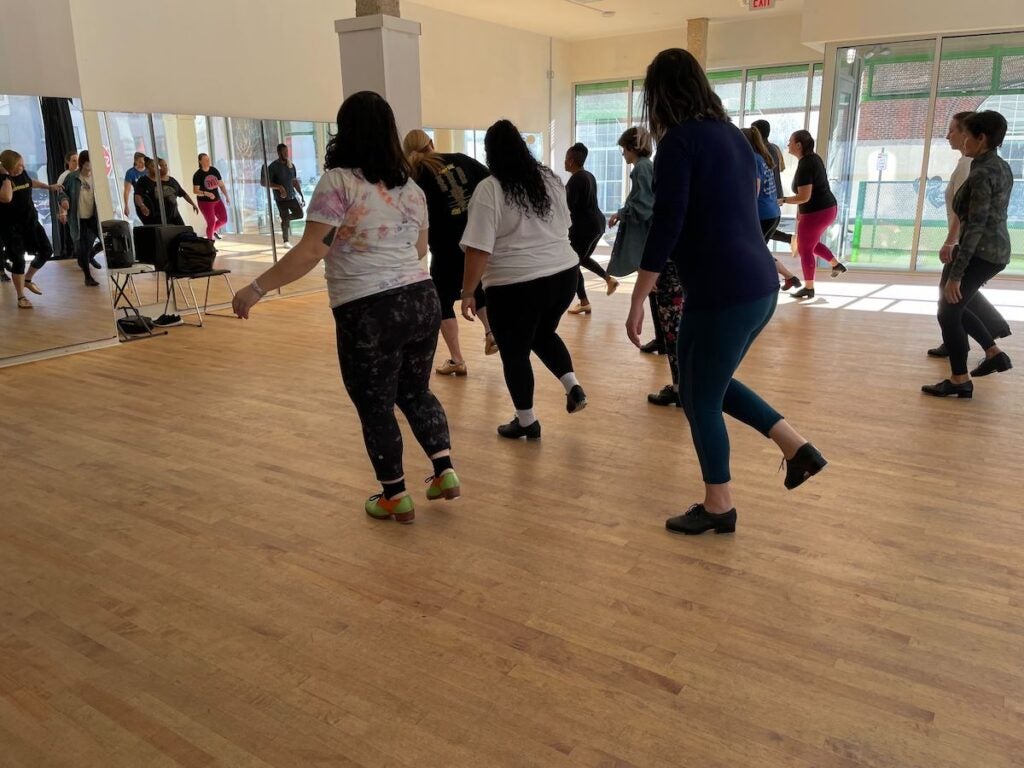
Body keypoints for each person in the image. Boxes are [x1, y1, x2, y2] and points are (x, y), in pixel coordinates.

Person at [232, 91, 458, 524]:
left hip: (367, 309)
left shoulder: (338, 182)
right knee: (415, 391)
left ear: (345, 130)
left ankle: (395, 495)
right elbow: (421, 248)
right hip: (421, 299)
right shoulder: (411, 187)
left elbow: (311, 250)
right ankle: (444, 470)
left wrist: (256, 288)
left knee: (376, 405)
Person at [626, 48, 826, 536]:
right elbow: (742, 213)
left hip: (723, 291)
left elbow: (668, 223)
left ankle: (720, 505)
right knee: (702, 385)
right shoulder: (736, 139)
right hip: (752, 286)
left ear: (660, 95)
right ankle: (796, 448)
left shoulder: (679, 143)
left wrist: (638, 296)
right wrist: (771, 260)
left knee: (699, 397)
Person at [460, 119, 586, 440]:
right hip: (563, 274)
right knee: (542, 332)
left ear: (490, 153)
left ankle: (527, 421)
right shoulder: (549, 179)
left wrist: (468, 291)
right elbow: (566, 225)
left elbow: (478, 249)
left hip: (516, 285)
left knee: (514, 352)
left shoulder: (490, 188)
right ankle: (573, 385)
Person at [923, 110, 1014, 399]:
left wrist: (957, 273)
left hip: (981, 251)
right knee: (957, 307)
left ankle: (960, 378)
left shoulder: (981, 172)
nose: (960, 141)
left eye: (966, 136)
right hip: (993, 250)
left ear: (981, 138)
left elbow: (975, 226)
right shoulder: (999, 166)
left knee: (948, 311)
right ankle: (992, 352)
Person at [403, 129, 497, 376]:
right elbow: (492, 182)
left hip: (444, 247)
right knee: (475, 286)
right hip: (475, 240)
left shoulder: (413, 177)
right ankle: (490, 333)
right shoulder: (460, 159)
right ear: (431, 143)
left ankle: (457, 359)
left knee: (443, 302)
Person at [605, 127, 661, 354]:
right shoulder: (645, 167)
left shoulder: (642, 169)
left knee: (653, 285)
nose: (623, 154)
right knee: (652, 288)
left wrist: (623, 212)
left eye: (624, 149)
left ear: (632, 148)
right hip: (647, 234)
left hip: (646, 236)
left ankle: (662, 337)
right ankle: (661, 336)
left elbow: (644, 205)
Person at [782, 130, 847, 299]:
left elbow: (804, 196)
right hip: (826, 209)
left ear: (799, 145)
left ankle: (809, 288)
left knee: (805, 249)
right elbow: (807, 193)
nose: (788, 145)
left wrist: (782, 200)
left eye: (790, 141)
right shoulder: (812, 159)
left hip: (817, 212)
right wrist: (799, 212)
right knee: (810, 244)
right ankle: (836, 264)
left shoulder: (806, 164)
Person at [0, 149, 63, 306]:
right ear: (9, 166)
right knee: (18, 260)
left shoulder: (23, 173)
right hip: (11, 227)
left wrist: (48, 187)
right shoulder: (3, 180)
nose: (22, 167)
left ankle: (27, 279)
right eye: (19, 165)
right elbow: (7, 197)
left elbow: (30, 182)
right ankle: (21, 296)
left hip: (31, 222)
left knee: (46, 250)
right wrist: (6, 177)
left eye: (22, 164)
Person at [741, 127, 800, 291]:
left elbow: (755, 189)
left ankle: (770, 283)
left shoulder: (753, 159)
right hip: (772, 211)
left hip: (763, 214)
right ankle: (789, 277)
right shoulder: (763, 157)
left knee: (756, 253)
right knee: (759, 252)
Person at [563, 142, 617, 315]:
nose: (564, 162)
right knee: (582, 259)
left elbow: (569, 206)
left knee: (573, 262)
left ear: (571, 161)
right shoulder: (588, 175)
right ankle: (609, 280)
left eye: (566, 159)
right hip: (596, 224)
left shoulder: (576, 179)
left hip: (585, 227)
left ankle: (584, 301)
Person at [57, 149, 102, 286]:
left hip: (94, 216)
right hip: (78, 218)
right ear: (83, 163)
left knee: (105, 240)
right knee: (82, 247)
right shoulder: (72, 177)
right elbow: (61, 192)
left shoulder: (97, 177)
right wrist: (64, 202)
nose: (91, 164)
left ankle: (89, 256)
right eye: (89, 162)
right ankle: (88, 277)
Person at [751, 119, 794, 247]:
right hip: (773, 195)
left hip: (764, 200)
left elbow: (756, 189)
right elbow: (781, 168)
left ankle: (791, 239)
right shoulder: (774, 148)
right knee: (764, 240)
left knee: (758, 245)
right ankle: (790, 239)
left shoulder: (756, 156)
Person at [134, 158, 198, 226]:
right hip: (158, 217)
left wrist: (193, 204)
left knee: (184, 231)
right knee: (165, 234)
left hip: (174, 214)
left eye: (165, 165)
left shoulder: (171, 180)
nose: (157, 168)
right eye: (153, 166)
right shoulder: (144, 181)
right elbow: (137, 195)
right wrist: (142, 206)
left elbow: (183, 193)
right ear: (147, 168)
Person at [263, 143, 305, 246]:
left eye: (287, 151)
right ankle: (286, 241)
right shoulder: (272, 167)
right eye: (284, 152)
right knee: (285, 221)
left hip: (292, 196)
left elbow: (294, 181)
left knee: (300, 214)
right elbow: (265, 183)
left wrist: (301, 195)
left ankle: (284, 218)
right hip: (280, 199)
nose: (286, 153)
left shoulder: (291, 165)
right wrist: (279, 187)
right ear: (279, 152)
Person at [193, 153, 230, 240]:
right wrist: (206, 193)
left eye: (208, 159)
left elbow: (221, 185)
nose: (207, 161)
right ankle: (210, 244)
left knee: (224, 219)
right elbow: (195, 190)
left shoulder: (214, 170)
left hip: (217, 200)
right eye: (205, 160)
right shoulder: (198, 175)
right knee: (211, 222)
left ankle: (213, 231)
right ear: (200, 161)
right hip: (205, 202)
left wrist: (227, 196)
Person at [57, 150, 79, 259]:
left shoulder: (81, 174)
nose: (77, 163)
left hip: (80, 211)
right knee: (69, 236)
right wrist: (63, 213)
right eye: (74, 161)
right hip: (69, 211)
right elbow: (60, 195)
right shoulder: (64, 176)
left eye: (78, 161)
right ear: (68, 162)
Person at [123, 152, 148, 219]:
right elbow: (127, 191)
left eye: (144, 161)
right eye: (140, 162)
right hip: (139, 198)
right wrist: (126, 206)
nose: (143, 164)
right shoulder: (130, 172)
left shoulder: (149, 170)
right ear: (135, 161)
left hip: (150, 196)